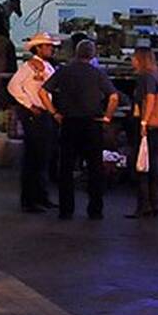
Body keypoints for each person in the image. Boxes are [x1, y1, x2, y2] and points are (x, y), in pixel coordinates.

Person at [42, 37, 120, 220]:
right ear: (92, 54)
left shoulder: (64, 71)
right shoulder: (97, 73)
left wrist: (54, 113)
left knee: (66, 167)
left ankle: (66, 209)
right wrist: (107, 117)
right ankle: (95, 209)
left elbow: (43, 91)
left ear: (75, 53)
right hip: (92, 123)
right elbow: (114, 97)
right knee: (94, 167)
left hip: (69, 122)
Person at [6, 32, 59, 211]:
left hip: (42, 113)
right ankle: (30, 199)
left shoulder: (46, 66)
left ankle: (40, 195)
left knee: (42, 156)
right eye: (48, 46)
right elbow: (13, 86)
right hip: (35, 113)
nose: (51, 49)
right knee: (34, 157)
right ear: (39, 48)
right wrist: (29, 104)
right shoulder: (29, 67)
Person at [125, 47, 158, 218]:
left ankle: (144, 204)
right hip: (153, 124)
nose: (132, 60)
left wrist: (144, 121)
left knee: (142, 163)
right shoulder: (154, 76)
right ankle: (153, 203)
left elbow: (150, 98)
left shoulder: (145, 77)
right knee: (150, 162)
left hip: (145, 123)